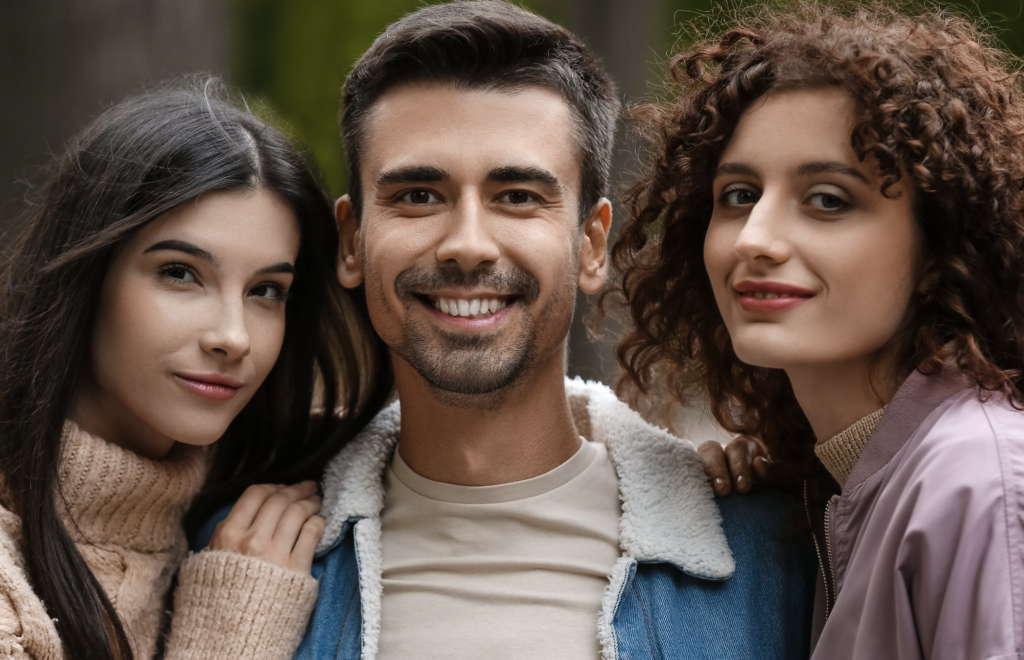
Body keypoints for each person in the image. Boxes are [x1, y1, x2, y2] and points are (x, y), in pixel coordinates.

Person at [224, 2, 813, 658]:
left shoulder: (777, 556)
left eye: (517, 197)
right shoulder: (237, 559)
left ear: (591, 246)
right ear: (352, 241)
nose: (468, 246)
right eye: (418, 195)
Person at [612, 4, 1024, 659]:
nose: (756, 240)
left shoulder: (976, 480)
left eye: (828, 200)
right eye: (740, 195)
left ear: (940, 247)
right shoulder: (839, 480)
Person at [0, 78, 390, 660]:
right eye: (180, 273)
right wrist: (229, 637)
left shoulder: (250, 481)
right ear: (86, 277)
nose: (232, 337)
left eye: (266, 290)